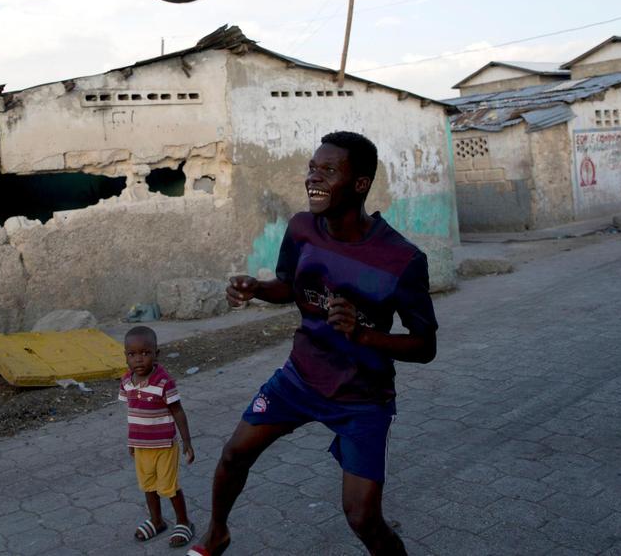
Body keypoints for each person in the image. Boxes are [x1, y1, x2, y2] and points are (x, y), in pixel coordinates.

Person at [189, 132, 437, 556]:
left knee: (362, 517)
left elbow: (425, 345)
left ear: (359, 184)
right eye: (311, 168)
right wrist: (257, 289)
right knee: (234, 454)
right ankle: (217, 534)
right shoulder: (302, 228)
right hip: (299, 380)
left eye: (328, 171)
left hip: (363, 398)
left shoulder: (402, 259)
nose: (312, 178)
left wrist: (363, 335)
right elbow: (289, 285)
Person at [120, 325, 196, 548]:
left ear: (156, 354)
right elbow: (133, 413)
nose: (139, 360)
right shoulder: (126, 381)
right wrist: (131, 441)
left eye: (145, 353)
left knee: (168, 486)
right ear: (125, 356)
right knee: (148, 485)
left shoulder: (164, 382)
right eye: (132, 354)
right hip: (141, 446)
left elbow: (178, 411)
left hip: (164, 445)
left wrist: (187, 442)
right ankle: (157, 520)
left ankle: (184, 522)